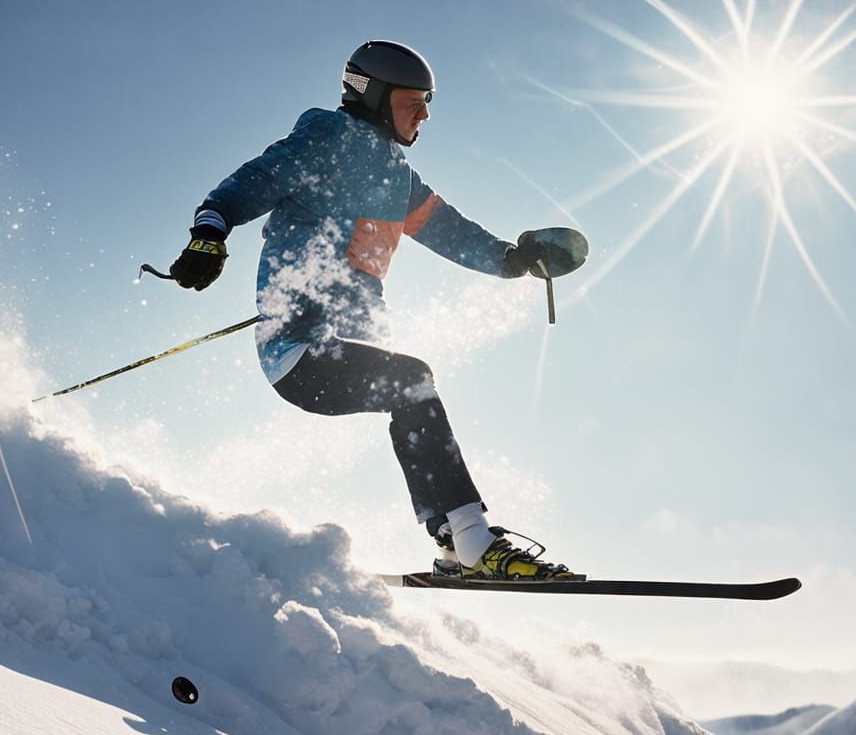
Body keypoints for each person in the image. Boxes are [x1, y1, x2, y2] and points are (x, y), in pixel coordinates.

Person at [170, 40, 584, 580]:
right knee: (413, 380)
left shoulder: (398, 176)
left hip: (343, 348)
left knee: (409, 389)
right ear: (374, 96)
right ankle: (474, 540)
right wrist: (210, 232)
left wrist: (514, 259)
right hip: (300, 350)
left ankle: (454, 539)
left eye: (427, 102)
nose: (425, 114)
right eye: (414, 101)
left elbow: (450, 232)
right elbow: (250, 183)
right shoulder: (327, 139)